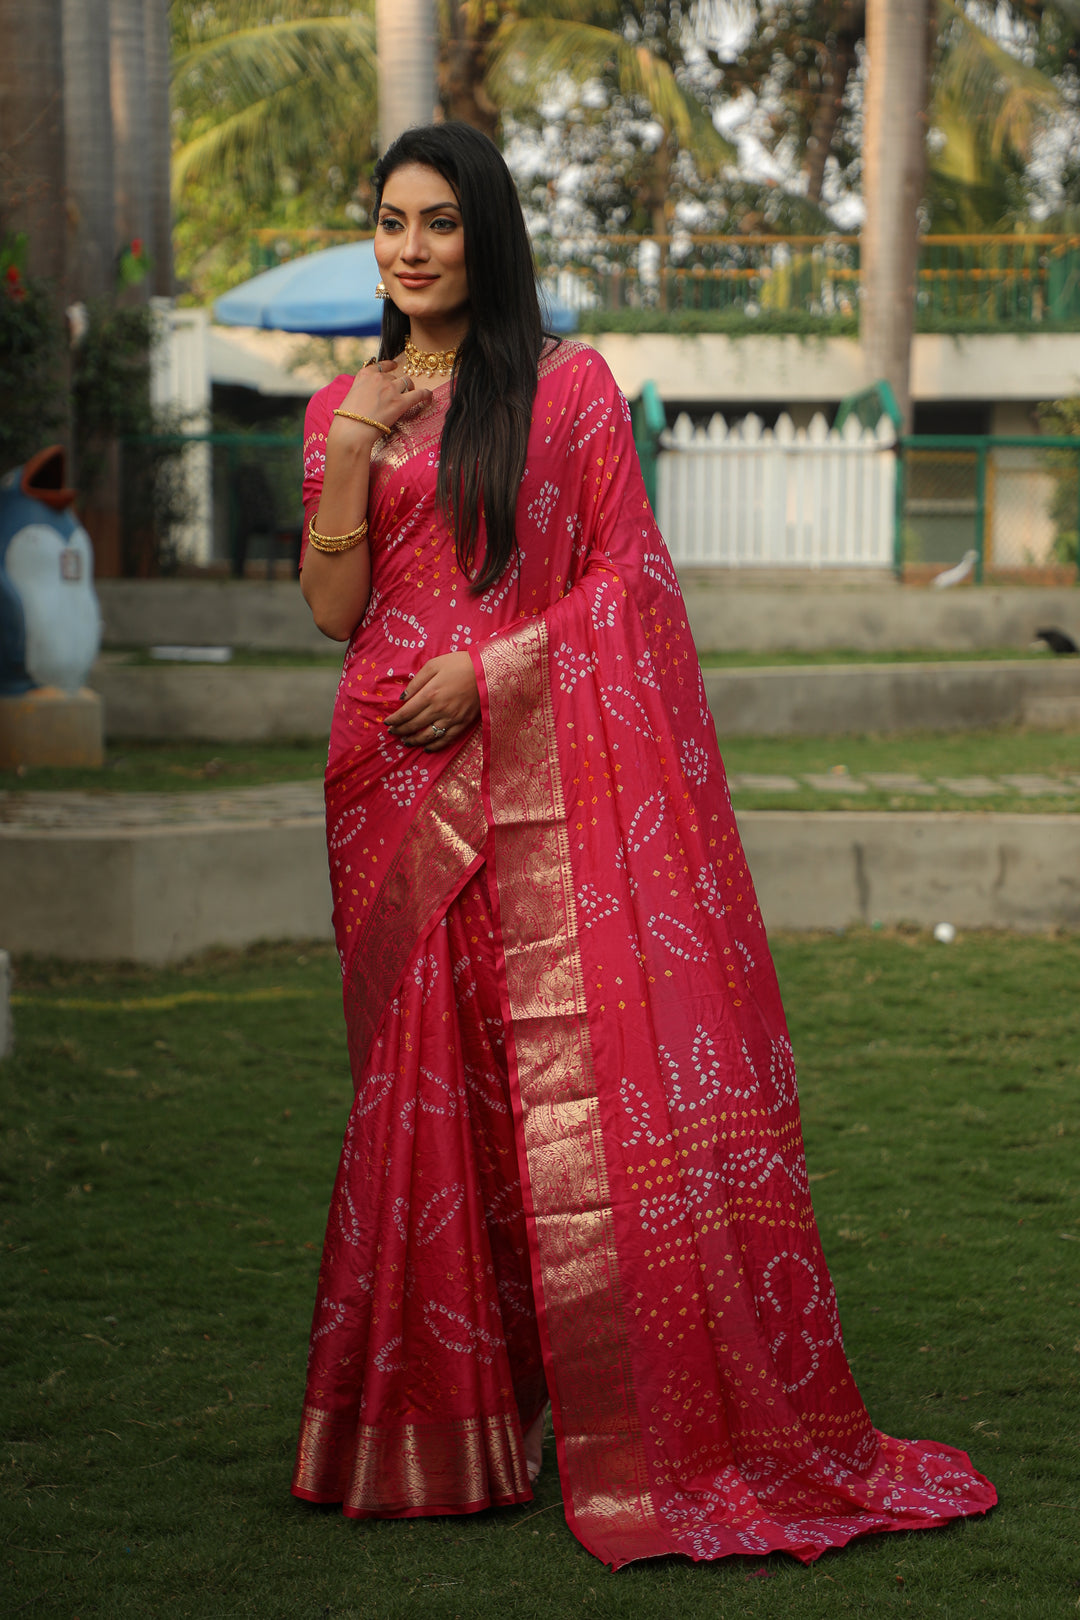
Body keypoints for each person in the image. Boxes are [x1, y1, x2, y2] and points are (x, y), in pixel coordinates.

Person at [291, 121, 996, 1570]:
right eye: (388, 223)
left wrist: (492, 677)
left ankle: (585, 1403)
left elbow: (632, 585)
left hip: (522, 759)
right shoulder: (337, 409)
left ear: (486, 233)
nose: (409, 248)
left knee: (556, 1079)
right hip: (386, 778)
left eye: (436, 221)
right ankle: (452, 1427)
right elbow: (328, 613)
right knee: (427, 1093)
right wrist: (356, 446)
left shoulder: (569, 390)